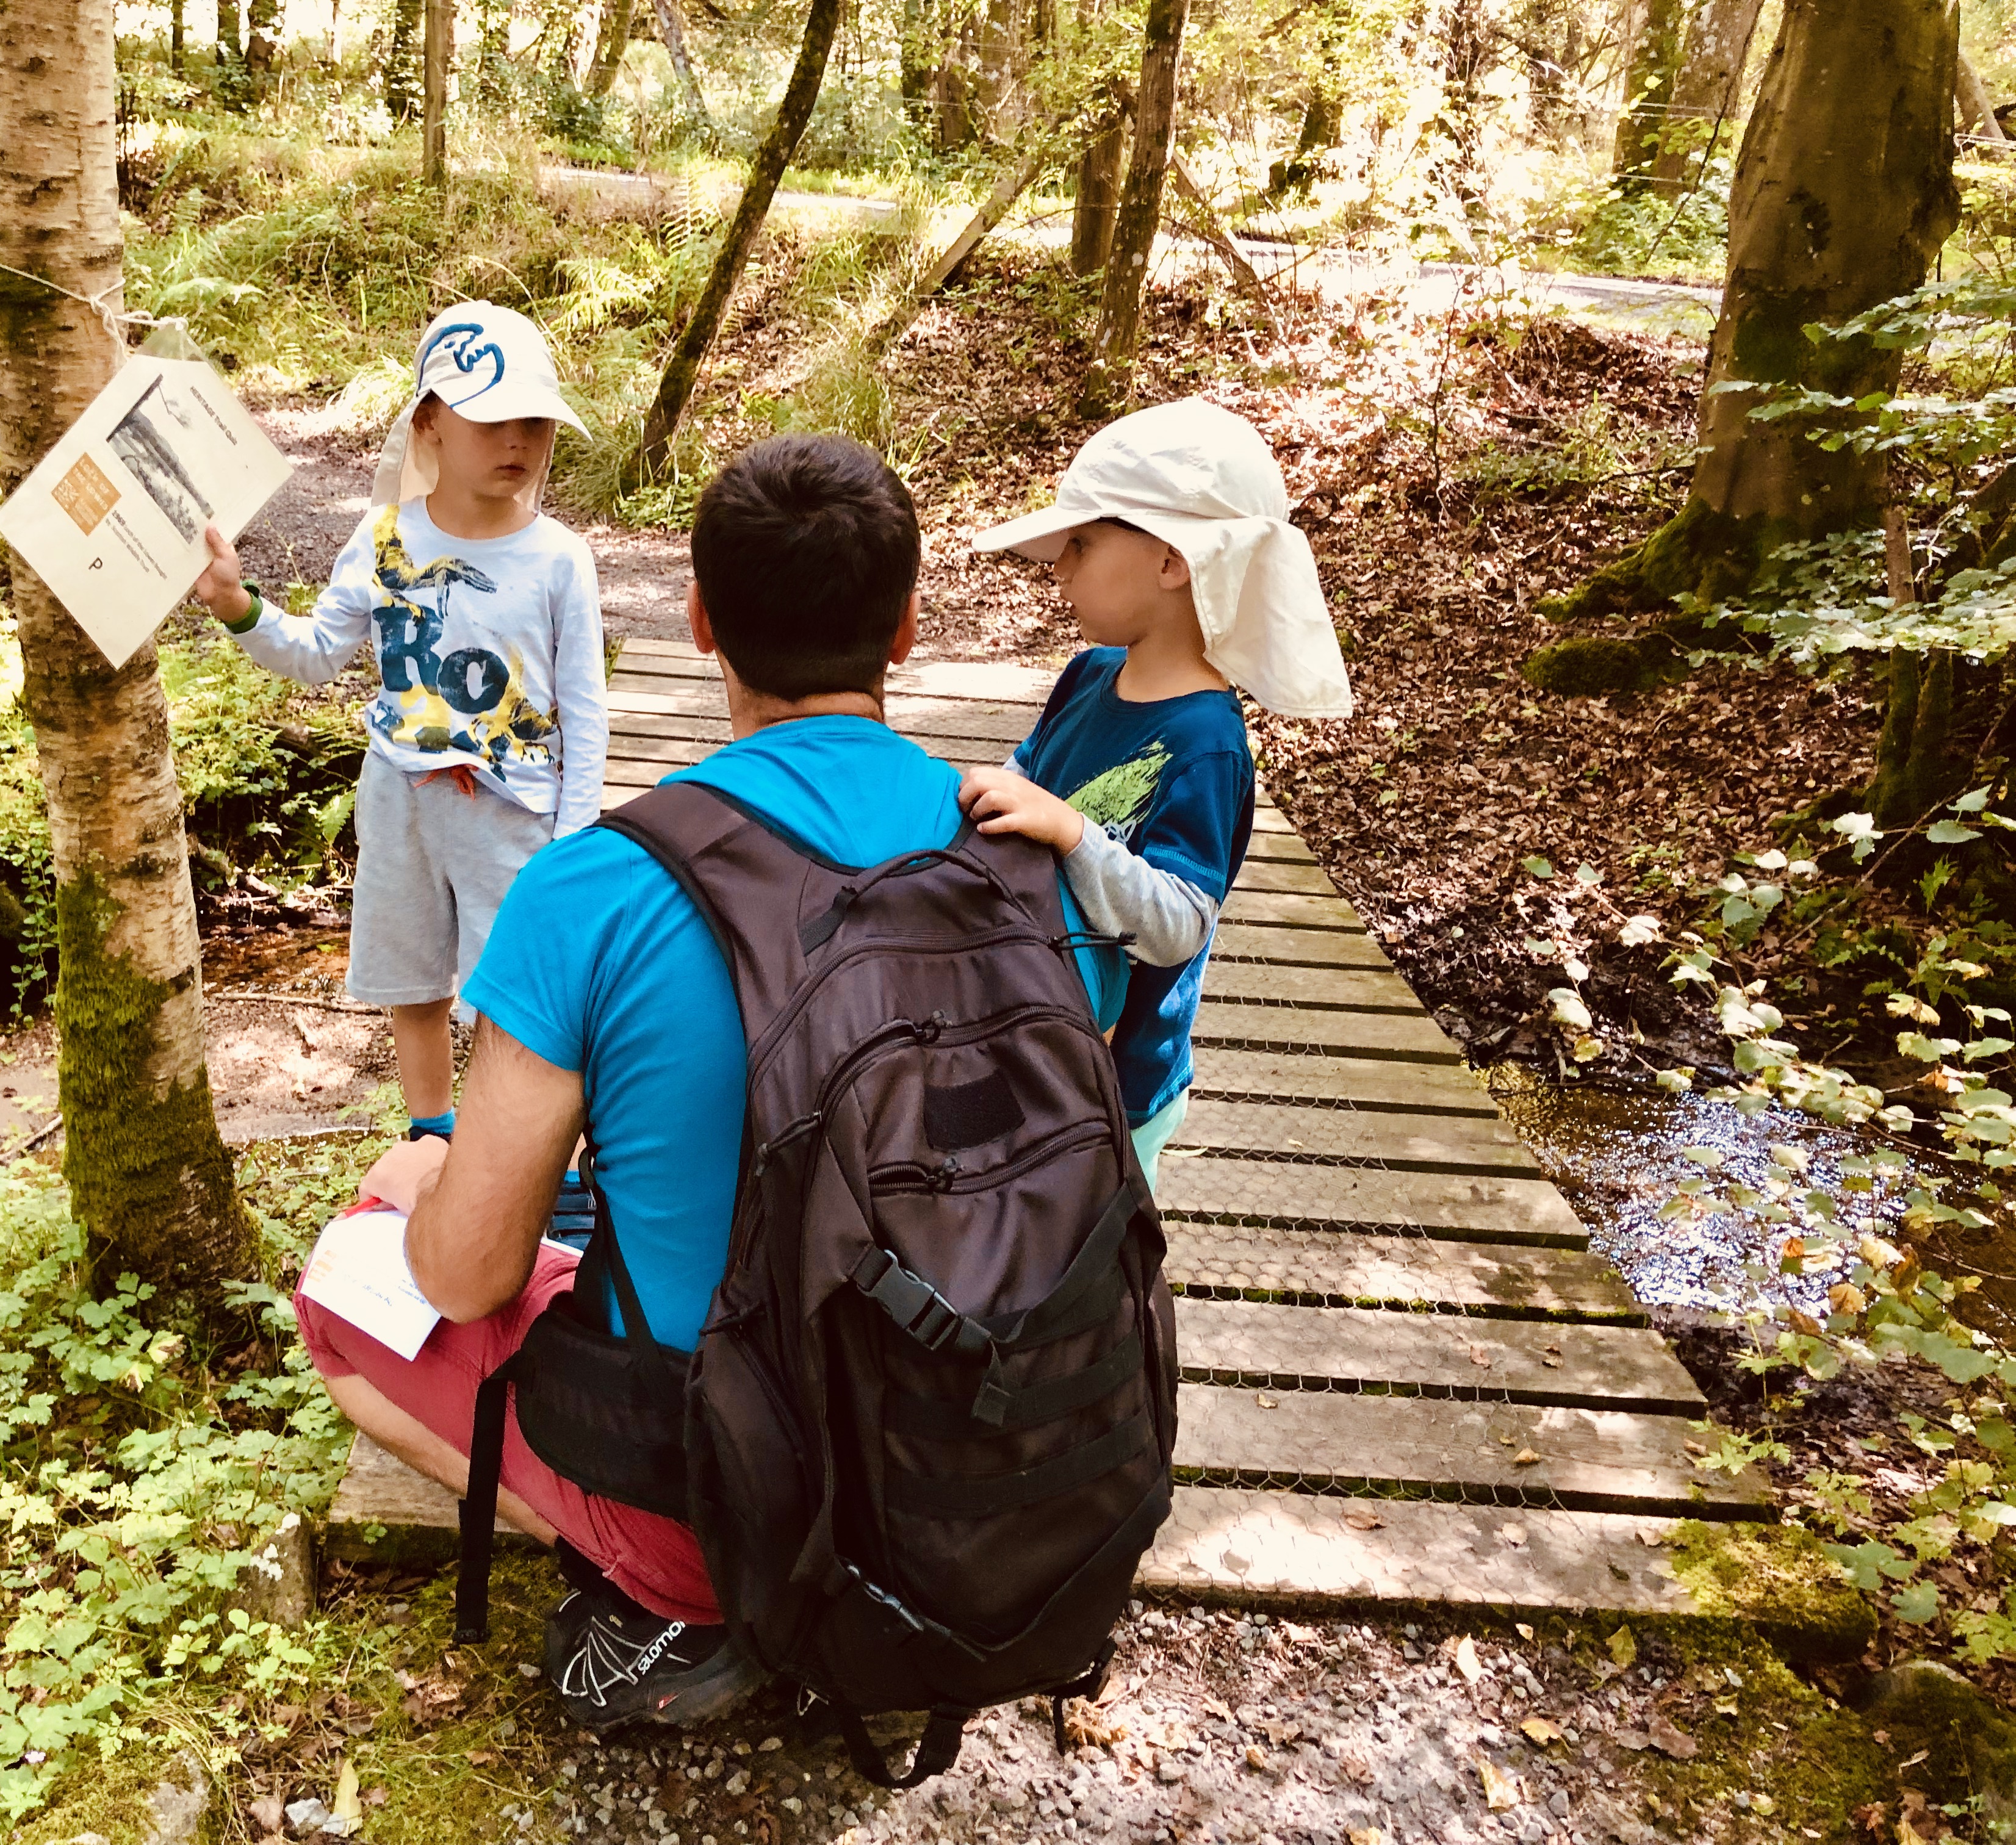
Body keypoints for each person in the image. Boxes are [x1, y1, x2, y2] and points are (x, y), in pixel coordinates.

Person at [292, 434, 1126, 1731]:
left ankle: (683, 1592)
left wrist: (428, 1171)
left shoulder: (597, 889)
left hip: (729, 1482)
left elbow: (467, 1276)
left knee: (347, 1291)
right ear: (906, 631)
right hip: (981, 1458)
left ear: (698, 623)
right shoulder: (1025, 851)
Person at [190, 301, 607, 1146]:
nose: (517, 442)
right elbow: (314, 654)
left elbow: (585, 713)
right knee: (412, 979)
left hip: (515, 810)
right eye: (491, 421)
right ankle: (432, 1138)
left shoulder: (560, 558)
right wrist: (241, 608)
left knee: (519, 993)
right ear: (430, 424)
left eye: (533, 422)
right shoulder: (383, 538)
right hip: (400, 799)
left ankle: (527, 1157)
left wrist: (576, 836)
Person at [960, 397, 1352, 1193]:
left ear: (1173, 561)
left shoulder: (1207, 743)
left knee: (1088, 1259)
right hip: (1038, 1031)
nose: (1060, 566)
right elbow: (1025, 777)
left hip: (1117, 1087)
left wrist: (1072, 835)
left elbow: (1178, 922)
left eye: (1082, 542)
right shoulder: (1089, 675)